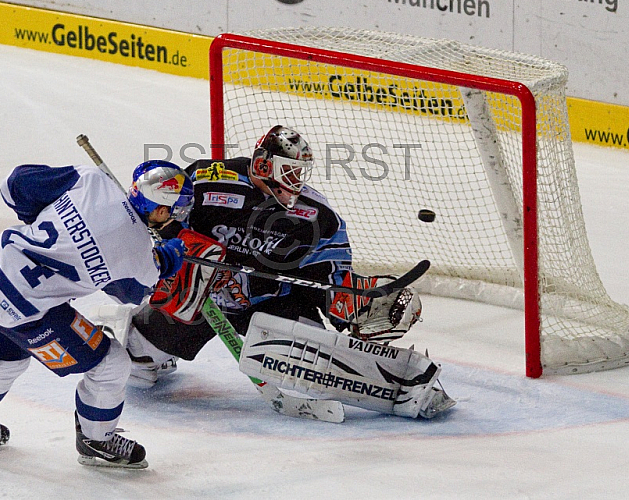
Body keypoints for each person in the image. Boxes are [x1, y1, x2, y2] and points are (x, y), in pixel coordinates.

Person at [121, 126, 424, 393]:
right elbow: (162, 215)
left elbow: (330, 269)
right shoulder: (206, 181)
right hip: (200, 296)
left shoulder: (315, 215)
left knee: (321, 371)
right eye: (289, 170)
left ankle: (386, 378)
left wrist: (350, 300)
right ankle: (163, 352)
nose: (295, 180)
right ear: (265, 165)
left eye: (299, 172)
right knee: (135, 364)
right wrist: (165, 234)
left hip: (269, 304)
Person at [0, 159, 192, 469]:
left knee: (3, 364)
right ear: (161, 211)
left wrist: (56, 226)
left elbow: (14, 185)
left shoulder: (93, 181)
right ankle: (96, 440)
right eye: (175, 210)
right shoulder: (139, 256)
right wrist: (162, 263)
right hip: (26, 313)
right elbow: (130, 294)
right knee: (110, 363)